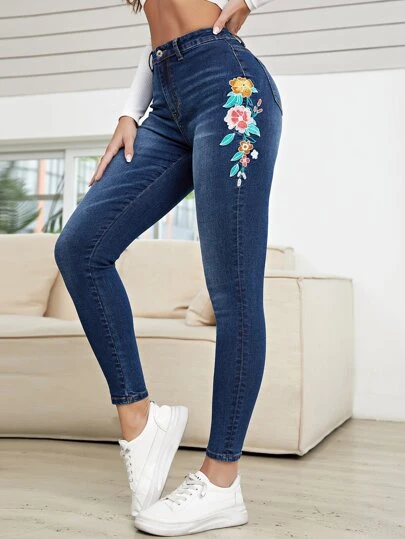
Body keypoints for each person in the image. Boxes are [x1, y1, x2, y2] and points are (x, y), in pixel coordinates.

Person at [54, 0, 282, 535]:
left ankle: (222, 482)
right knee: (80, 248)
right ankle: (141, 419)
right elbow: (159, 34)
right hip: (164, 97)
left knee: (234, 292)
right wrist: (130, 111)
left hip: (228, 86)